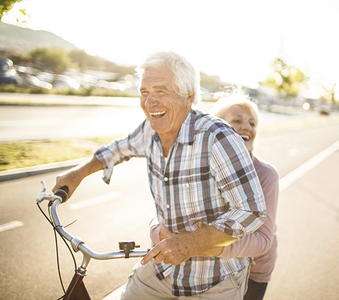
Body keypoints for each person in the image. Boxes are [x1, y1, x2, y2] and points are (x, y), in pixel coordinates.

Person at [52, 51, 267, 299]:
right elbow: (117, 149)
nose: (149, 102)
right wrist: (77, 174)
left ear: (188, 96)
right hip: (162, 269)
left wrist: (193, 242)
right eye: (144, 92)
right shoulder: (150, 130)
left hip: (215, 281)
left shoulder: (216, 136)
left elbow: (252, 211)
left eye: (161, 91)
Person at [150, 94, 279, 300]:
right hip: (197, 271)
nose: (247, 126)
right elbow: (164, 210)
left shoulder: (266, 174)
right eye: (237, 121)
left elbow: (263, 239)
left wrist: (204, 245)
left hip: (252, 272)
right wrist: (159, 232)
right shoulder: (195, 163)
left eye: (252, 123)